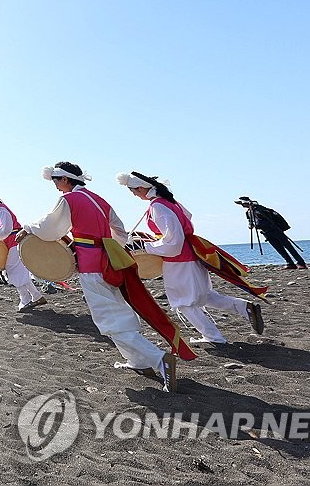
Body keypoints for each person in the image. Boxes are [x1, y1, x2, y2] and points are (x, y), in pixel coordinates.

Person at [20, 162, 193, 392]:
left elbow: (51, 228)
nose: (56, 186)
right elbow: (120, 232)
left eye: (55, 181)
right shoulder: (99, 199)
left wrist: (29, 228)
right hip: (109, 262)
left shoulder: (69, 200)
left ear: (65, 179)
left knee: (109, 319)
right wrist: (109, 250)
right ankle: (138, 361)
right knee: (119, 311)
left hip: (91, 266)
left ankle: (159, 360)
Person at [118, 172, 265, 344]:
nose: (134, 195)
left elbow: (174, 241)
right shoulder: (170, 202)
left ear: (141, 188)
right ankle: (244, 307)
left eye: (133, 191)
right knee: (204, 295)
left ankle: (213, 337)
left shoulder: (157, 206)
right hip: (192, 254)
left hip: (179, 259)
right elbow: (187, 218)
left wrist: (147, 246)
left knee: (183, 303)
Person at [0, 185, 45, 312]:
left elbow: (6, 229)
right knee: (18, 271)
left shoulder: (1, 209)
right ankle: (37, 296)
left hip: (16, 242)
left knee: (12, 270)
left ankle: (25, 300)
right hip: (11, 243)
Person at [237, 197, 307, 269]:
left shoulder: (260, 208)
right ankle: (290, 263)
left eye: (243, 203)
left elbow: (267, 217)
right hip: (265, 232)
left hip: (275, 230)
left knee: (288, 246)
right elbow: (250, 222)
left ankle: (301, 262)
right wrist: (251, 225)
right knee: (279, 248)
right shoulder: (248, 212)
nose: (243, 205)